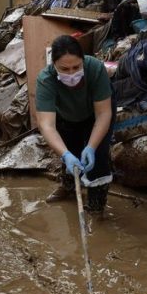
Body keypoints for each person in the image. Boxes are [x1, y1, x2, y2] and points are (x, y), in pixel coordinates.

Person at [35, 35, 114, 212]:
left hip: (96, 114)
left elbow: (103, 114)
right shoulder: (45, 80)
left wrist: (92, 147)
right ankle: (69, 186)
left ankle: (96, 205)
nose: (71, 73)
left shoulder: (95, 69)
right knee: (70, 150)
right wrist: (65, 154)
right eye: (64, 69)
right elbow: (46, 125)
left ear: (83, 60)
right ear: (54, 65)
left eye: (76, 67)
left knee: (99, 155)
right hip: (66, 116)